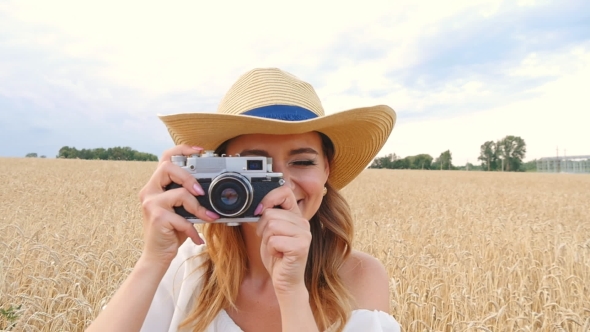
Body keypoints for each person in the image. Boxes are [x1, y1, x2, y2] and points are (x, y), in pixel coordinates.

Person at [86, 68, 400, 332]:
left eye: (302, 162)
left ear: (326, 171)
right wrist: (153, 261)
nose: (281, 184)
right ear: (218, 174)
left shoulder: (359, 276)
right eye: (253, 166)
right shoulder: (187, 268)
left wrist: (291, 292)